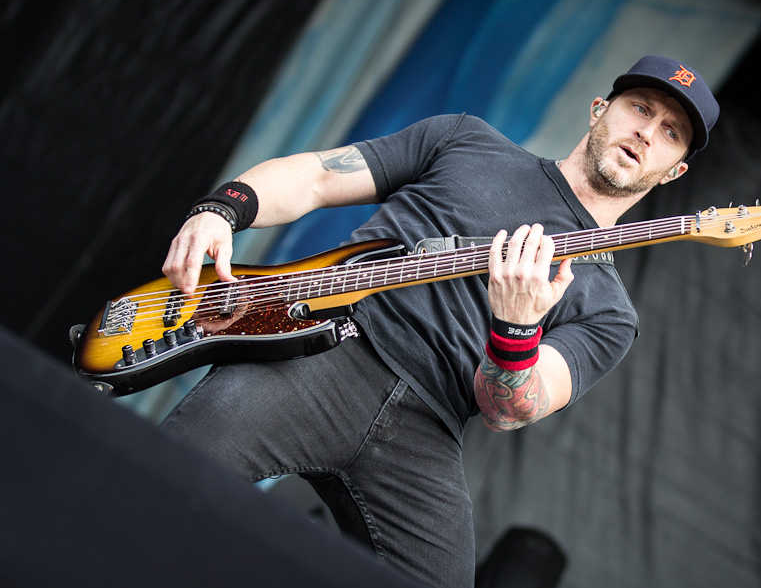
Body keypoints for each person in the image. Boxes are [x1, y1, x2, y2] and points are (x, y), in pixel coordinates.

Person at [159, 55, 719, 587]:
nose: (648, 132)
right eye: (641, 108)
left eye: (671, 133)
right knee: (153, 479)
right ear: (600, 109)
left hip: (428, 426)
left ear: (675, 173)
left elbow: (510, 411)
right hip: (328, 352)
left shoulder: (610, 311)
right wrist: (223, 208)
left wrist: (515, 330)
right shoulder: (464, 140)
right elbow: (317, 178)